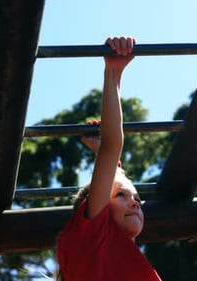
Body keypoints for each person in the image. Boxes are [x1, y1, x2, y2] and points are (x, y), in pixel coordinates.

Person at [56, 36, 162, 281]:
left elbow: (111, 156)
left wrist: (111, 163)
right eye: (122, 196)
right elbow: (113, 146)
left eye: (137, 198)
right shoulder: (91, 240)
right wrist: (113, 74)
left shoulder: (129, 263)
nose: (136, 203)